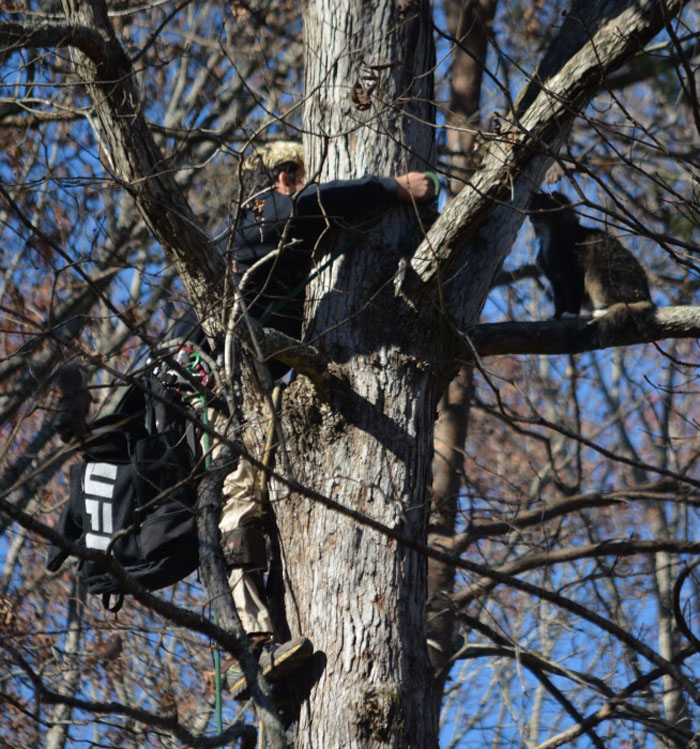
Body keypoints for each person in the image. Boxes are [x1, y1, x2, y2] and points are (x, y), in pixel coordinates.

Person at [217, 142, 437, 701]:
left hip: (264, 388)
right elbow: (326, 202)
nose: (296, 182)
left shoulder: (269, 228)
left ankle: (274, 642)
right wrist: (396, 188)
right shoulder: (261, 217)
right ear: (274, 179)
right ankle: (255, 645)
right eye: (290, 174)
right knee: (240, 504)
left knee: (264, 507)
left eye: (297, 174)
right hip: (235, 394)